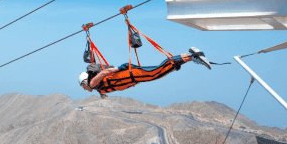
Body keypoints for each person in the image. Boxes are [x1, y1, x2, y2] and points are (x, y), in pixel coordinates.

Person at [79, 47, 211, 98]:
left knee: (157, 72)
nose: (85, 89)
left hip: (131, 75)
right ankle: (190, 58)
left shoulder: (92, 83)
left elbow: (103, 73)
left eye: (83, 86)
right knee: (159, 73)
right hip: (133, 78)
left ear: (85, 82)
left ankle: (189, 55)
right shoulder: (99, 88)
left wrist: (119, 69)